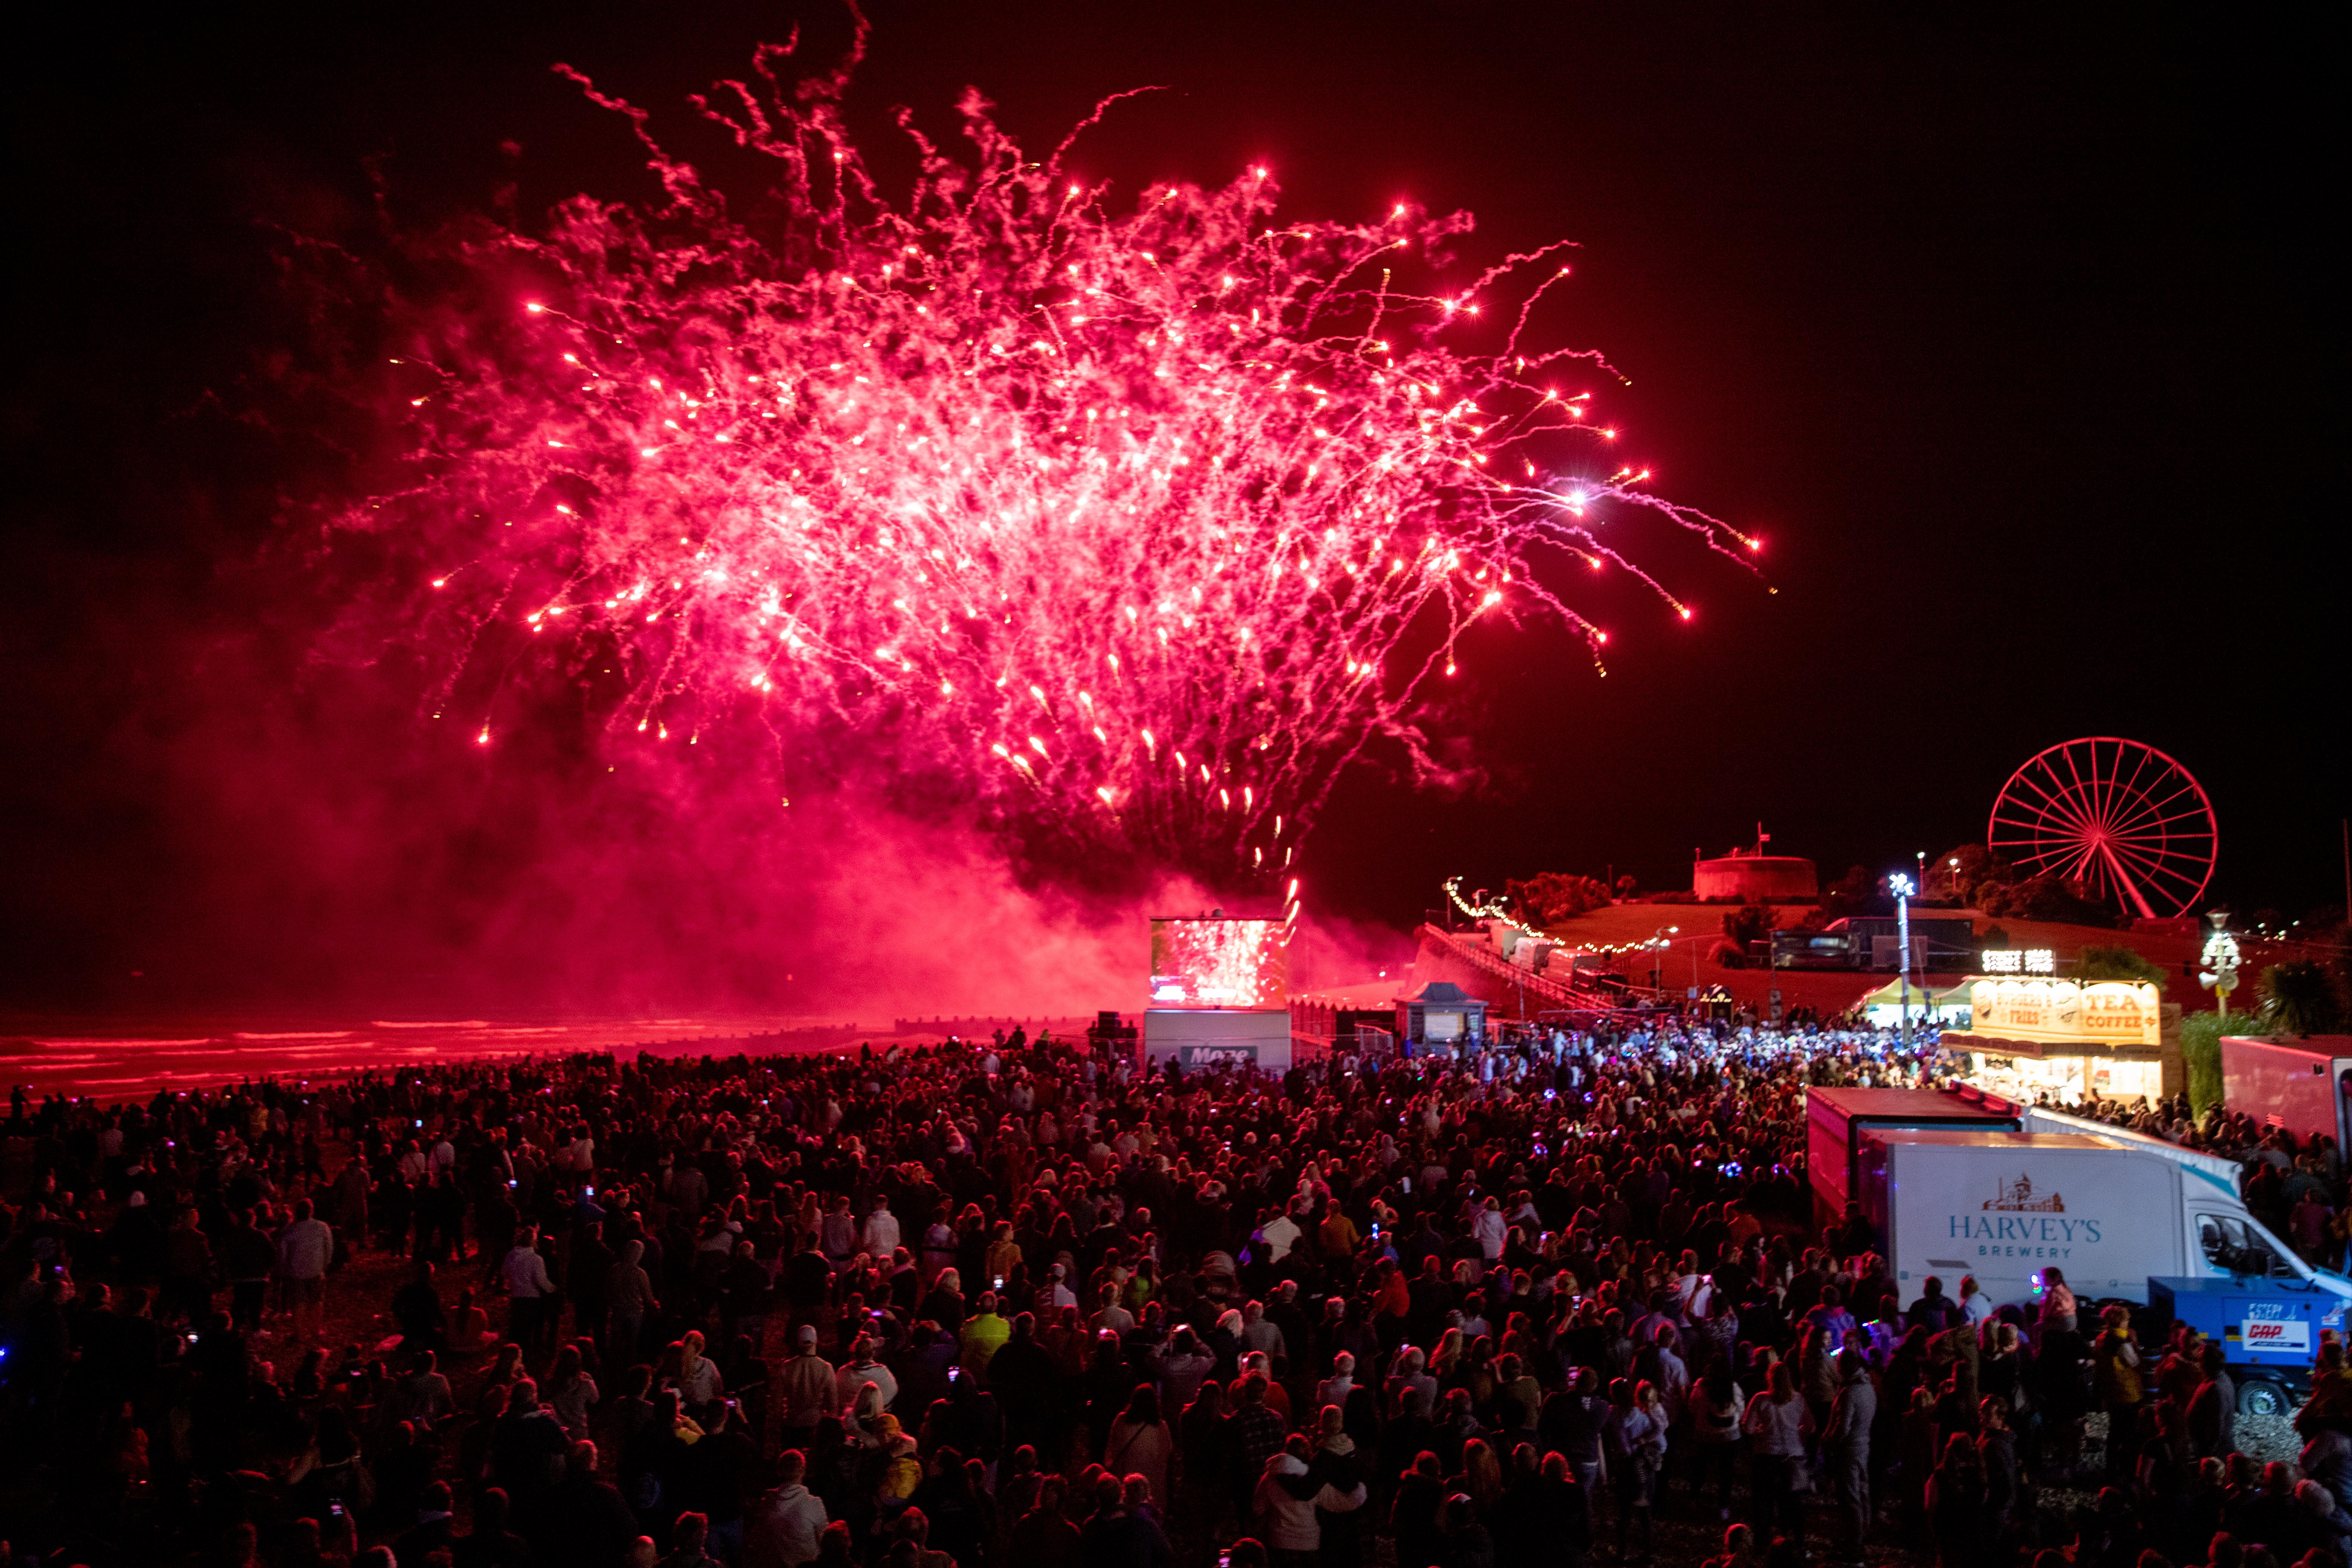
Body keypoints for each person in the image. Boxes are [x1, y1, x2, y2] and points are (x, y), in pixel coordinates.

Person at [1822, 1348, 1876, 1568]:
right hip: (1864, 1447)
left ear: (1842, 1367)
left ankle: (1854, 1545)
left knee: (1851, 1498)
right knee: (1862, 1494)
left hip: (1849, 1451)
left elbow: (1843, 1427)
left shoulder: (1850, 1392)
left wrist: (1828, 1441)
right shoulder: (1868, 1387)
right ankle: (1861, 1536)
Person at [747, 1449, 829, 1568]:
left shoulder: (766, 1504)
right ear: (803, 1471)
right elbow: (826, 1542)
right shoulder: (814, 1504)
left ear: (779, 1471)